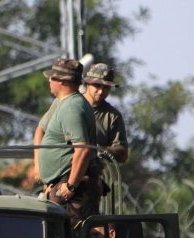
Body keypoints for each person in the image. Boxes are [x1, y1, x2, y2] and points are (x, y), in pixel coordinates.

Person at [32, 57, 101, 225]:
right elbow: (40, 130)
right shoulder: (64, 103)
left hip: (72, 190)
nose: (49, 80)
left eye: (53, 77)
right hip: (60, 184)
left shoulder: (72, 108)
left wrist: (70, 186)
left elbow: (82, 149)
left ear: (62, 81)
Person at [82, 63, 129, 164]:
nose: (101, 91)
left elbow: (122, 154)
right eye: (97, 85)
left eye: (106, 87)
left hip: (94, 173)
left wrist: (101, 150)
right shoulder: (69, 105)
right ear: (88, 83)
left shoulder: (112, 116)